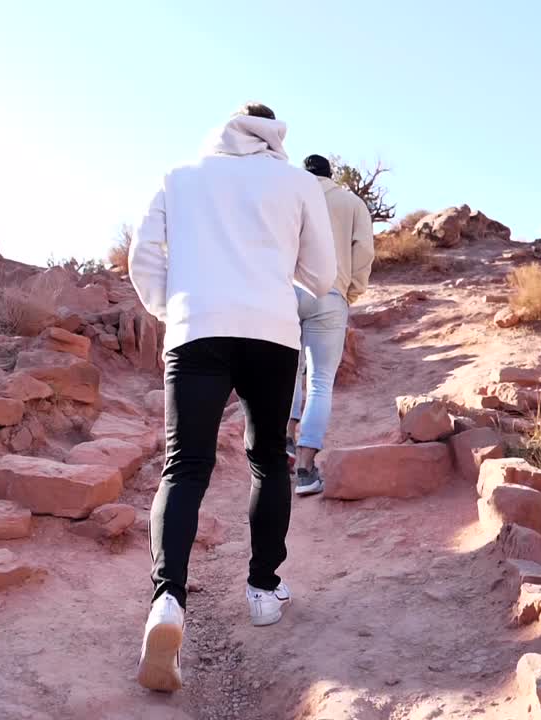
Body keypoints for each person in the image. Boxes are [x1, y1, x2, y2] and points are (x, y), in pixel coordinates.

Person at [128, 103, 337, 693]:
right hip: (271, 333)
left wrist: (178, 311)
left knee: (185, 465)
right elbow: (321, 274)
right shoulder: (297, 181)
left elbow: (143, 257)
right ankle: (264, 591)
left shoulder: (181, 175)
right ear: (276, 134)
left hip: (196, 332)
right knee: (268, 457)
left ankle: (167, 601)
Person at [287, 154, 375, 496]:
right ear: (331, 174)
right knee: (321, 381)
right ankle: (306, 472)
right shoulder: (350, 202)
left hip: (287, 290)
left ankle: (285, 442)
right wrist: (351, 291)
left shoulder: (289, 195)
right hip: (330, 292)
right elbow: (364, 250)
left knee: (288, 372)